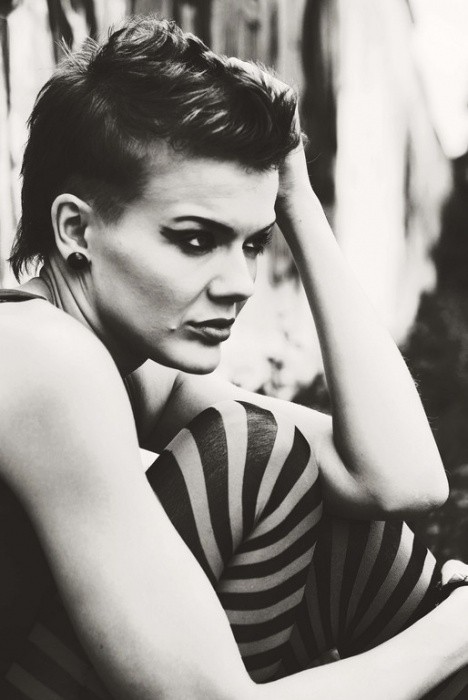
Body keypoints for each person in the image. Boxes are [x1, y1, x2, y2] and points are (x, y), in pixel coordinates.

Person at [1, 14, 468, 700]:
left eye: (252, 243)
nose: (241, 284)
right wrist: (452, 631)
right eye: (195, 240)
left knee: (321, 517)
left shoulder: (126, 366)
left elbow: (397, 479)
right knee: (258, 451)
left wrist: (298, 201)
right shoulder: (42, 358)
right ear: (76, 229)